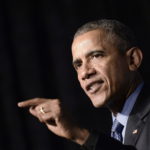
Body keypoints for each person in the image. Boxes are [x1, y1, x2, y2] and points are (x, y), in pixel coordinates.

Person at [18, 19, 150, 150]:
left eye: (96, 56)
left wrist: (80, 135)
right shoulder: (115, 128)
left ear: (133, 59)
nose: (84, 73)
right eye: (78, 65)